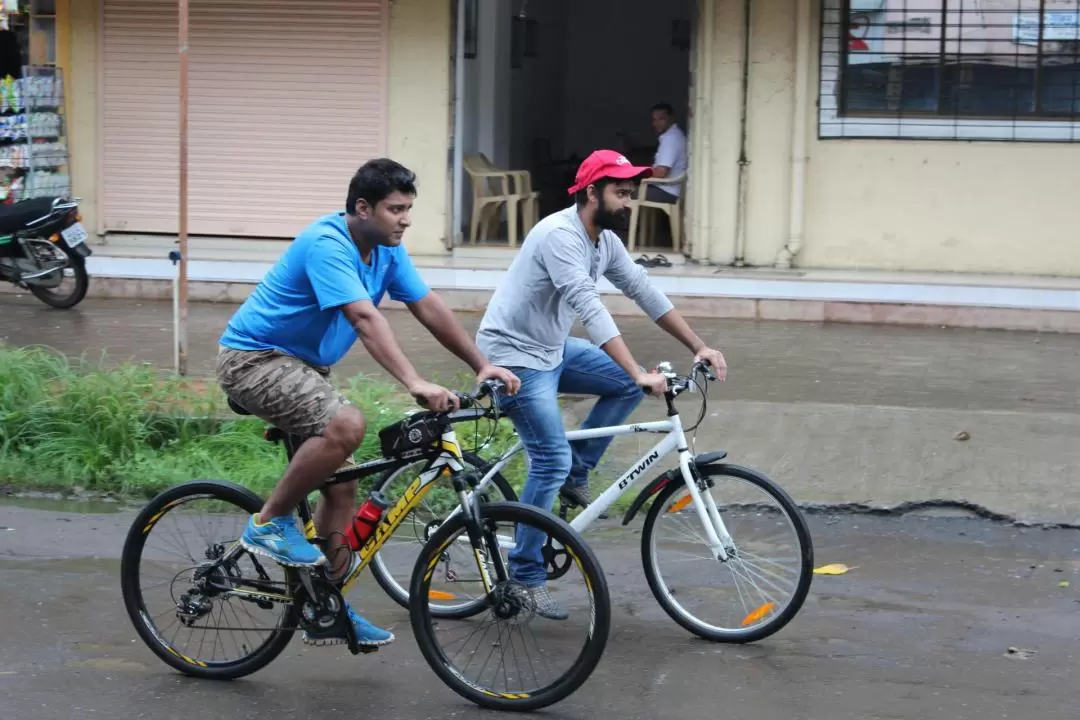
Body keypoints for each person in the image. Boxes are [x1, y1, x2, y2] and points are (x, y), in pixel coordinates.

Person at [217, 158, 520, 648]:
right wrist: (414, 381)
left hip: (303, 367)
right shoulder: (328, 244)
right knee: (346, 425)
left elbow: (427, 306)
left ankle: (326, 608)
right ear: (362, 208)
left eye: (408, 209)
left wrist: (480, 364)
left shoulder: (385, 250)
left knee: (340, 491)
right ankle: (269, 522)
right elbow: (363, 317)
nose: (405, 219)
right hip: (254, 359)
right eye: (396, 209)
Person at [476, 149, 727, 619]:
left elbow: (642, 289)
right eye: (620, 192)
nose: (628, 202)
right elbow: (590, 310)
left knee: (622, 388)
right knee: (548, 458)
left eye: (631, 193)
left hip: (551, 348)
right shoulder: (560, 236)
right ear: (591, 192)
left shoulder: (603, 240)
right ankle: (525, 576)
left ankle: (578, 474)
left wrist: (698, 344)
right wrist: (637, 369)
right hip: (513, 357)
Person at [647, 103, 688, 205]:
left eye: (661, 119)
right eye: (654, 120)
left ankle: (630, 221)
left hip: (667, 192)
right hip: (671, 190)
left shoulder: (671, 138)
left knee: (626, 192)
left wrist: (639, 176)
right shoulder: (675, 135)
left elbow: (661, 172)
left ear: (671, 118)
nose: (657, 123)